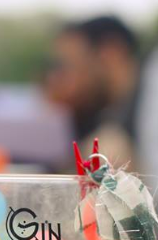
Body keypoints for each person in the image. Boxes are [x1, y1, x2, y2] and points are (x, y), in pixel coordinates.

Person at [46, 16, 140, 168]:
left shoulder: (151, 111)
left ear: (111, 53)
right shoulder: (103, 112)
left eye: (73, 63)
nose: (57, 79)